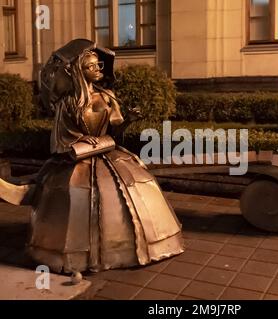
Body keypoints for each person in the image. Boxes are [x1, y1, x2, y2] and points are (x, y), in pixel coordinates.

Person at [27, 44, 184, 274]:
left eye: (98, 65)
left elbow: (116, 131)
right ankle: (75, 252)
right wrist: (79, 141)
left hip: (109, 153)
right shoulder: (68, 103)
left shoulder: (108, 97)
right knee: (76, 194)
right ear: (81, 72)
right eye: (91, 66)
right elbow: (61, 139)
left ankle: (142, 244)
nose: (98, 69)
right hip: (78, 158)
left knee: (136, 187)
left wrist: (128, 119)